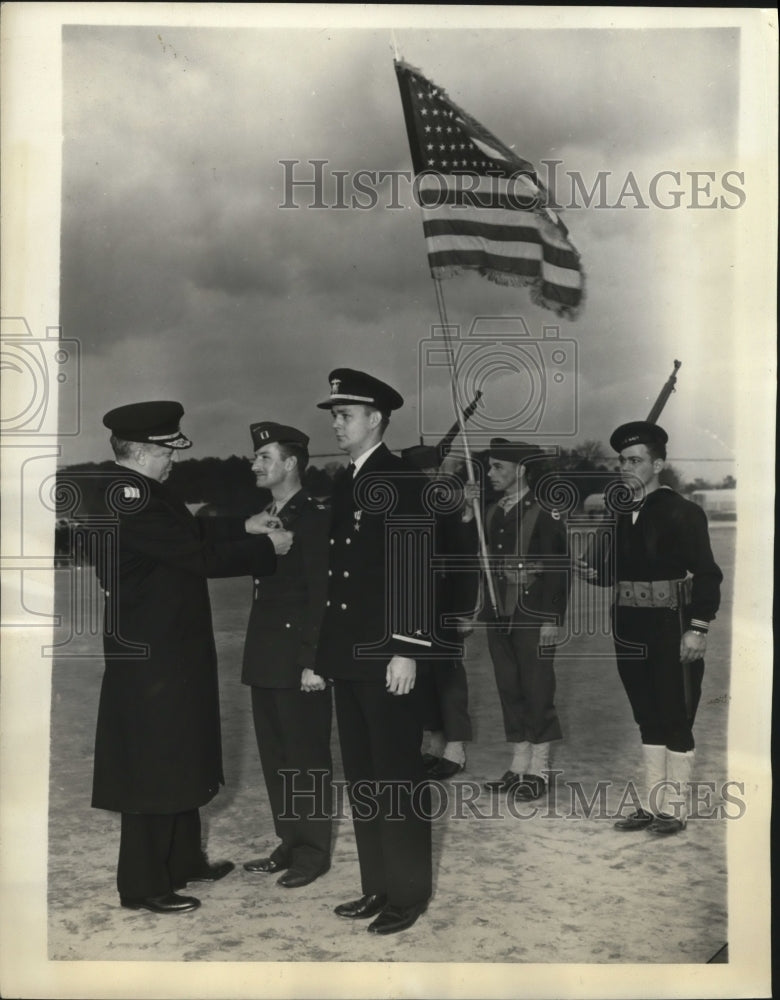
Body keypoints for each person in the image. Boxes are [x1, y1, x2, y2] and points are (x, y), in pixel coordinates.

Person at [92, 401, 292, 914]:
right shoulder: (132, 498)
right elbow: (196, 557)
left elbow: (188, 535)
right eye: (166, 450)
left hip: (169, 650)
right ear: (143, 451)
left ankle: (182, 861)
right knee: (154, 767)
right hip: (153, 657)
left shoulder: (144, 494)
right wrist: (268, 548)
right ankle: (141, 885)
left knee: (178, 754)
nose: (173, 459)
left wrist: (242, 528)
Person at [314, 368, 433, 936]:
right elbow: (338, 580)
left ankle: (407, 893)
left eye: (345, 415)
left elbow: (414, 569)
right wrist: (324, 654)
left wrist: (407, 647)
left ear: (376, 419)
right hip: (351, 657)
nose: (337, 425)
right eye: (335, 416)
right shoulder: (347, 480)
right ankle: (377, 885)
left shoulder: (401, 478)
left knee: (396, 778)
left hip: (388, 657)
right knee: (363, 777)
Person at [579, 421, 722, 835]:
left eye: (635, 460)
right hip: (628, 623)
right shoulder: (622, 512)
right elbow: (616, 574)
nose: (625, 467)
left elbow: (708, 574)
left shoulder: (683, 511)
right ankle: (650, 802)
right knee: (645, 714)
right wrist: (594, 572)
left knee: (675, 713)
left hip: (670, 624)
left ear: (658, 463)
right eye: (622, 460)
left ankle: (673, 808)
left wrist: (698, 628)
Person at [241, 421, 333, 888]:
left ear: (292, 462)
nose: (255, 464)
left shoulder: (314, 516)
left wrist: (314, 660)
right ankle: (290, 840)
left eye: (265, 457)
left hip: (300, 659)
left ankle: (313, 851)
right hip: (266, 655)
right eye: (256, 457)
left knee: (306, 757)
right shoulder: (265, 514)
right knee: (276, 756)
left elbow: (321, 592)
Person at [476, 438, 569, 802]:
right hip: (499, 612)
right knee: (509, 687)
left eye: (498, 467)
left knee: (536, 687)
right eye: (489, 466)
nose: (490, 473)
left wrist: (552, 618)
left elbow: (559, 570)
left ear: (522, 470)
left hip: (533, 611)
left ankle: (540, 769)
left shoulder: (545, 511)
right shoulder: (489, 510)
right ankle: (518, 766)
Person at [400, 444, 478, 779]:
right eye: (420, 475)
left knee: (449, 680)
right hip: (411, 611)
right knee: (421, 680)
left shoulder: (447, 508)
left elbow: (465, 562)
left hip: (444, 607)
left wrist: (462, 611)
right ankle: (433, 746)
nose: (427, 480)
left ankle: (455, 750)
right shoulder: (400, 510)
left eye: (431, 474)